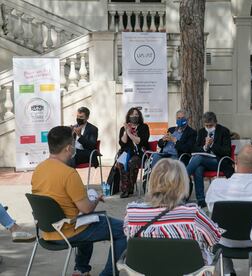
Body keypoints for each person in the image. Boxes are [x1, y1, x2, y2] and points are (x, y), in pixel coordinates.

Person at [31, 126, 126, 276]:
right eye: (74, 145)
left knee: (89, 222)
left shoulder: (39, 169)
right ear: (69, 148)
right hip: (69, 231)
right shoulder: (69, 174)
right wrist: (95, 198)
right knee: (123, 229)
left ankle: (81, 269)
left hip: (47, 231)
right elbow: (87, 208)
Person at [123, 159, 222, 263]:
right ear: (182, 184)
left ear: (152, 181)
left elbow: (127, 234)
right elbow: (214, 238)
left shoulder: (132, 212)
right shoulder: (193, 213)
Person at [205, 145, 252, 275]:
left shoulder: (216, 185)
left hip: (225, 241)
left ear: (235, 163)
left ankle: (227, 272)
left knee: (218, 230)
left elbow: (212, 210)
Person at [186, 111, 233, 208]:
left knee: (198, 158)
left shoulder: (224, 131)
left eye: (210, 125)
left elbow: (226, 151)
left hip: (219, 161)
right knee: (198, 167)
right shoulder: (202, 131)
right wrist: (205, 147)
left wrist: (212, 145)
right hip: (204, 161)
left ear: (215, 123)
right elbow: (195, 148)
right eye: (206, 125)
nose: (208, 127)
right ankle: (201, 200)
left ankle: (182, 177)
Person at [117, 107, 150, 198]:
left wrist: (130, 134)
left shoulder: (144, 127)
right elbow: (122, 143)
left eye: (136, 115)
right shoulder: (123, 128)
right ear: (128, 116)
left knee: (132, 162)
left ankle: (130, 187)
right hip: (126, 152)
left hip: (139, 153)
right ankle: (124, 189)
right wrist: (126, 131)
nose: (134, 116)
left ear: (139, 116)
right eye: (132, 115)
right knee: (121, 162)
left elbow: (140, 141)